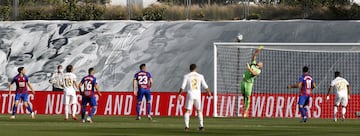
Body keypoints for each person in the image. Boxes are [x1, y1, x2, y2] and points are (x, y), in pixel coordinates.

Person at [178, 64, 211, 131]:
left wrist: (179, 94)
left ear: (190, 69)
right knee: (199, 110)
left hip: (190, 94)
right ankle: (201, 126)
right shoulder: (200, 76)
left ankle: (187, 127)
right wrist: (209, 92)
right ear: (196, 69)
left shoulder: (186, 76)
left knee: (187, 111)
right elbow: (205, 85)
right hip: (198, 95)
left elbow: (183, 86)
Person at [240, 46, 263, 118]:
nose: (260, 62)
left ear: (261, 66)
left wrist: (249, 68)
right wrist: (258, 50)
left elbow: (254, 74)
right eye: (260, 62)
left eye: (261, 63)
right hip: (243, 81)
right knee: (243, 95)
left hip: (249, 84)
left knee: (247, 96)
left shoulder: (259, 71)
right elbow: (254, 56)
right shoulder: (253, 63)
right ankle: (245, 108)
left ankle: (246, 111)